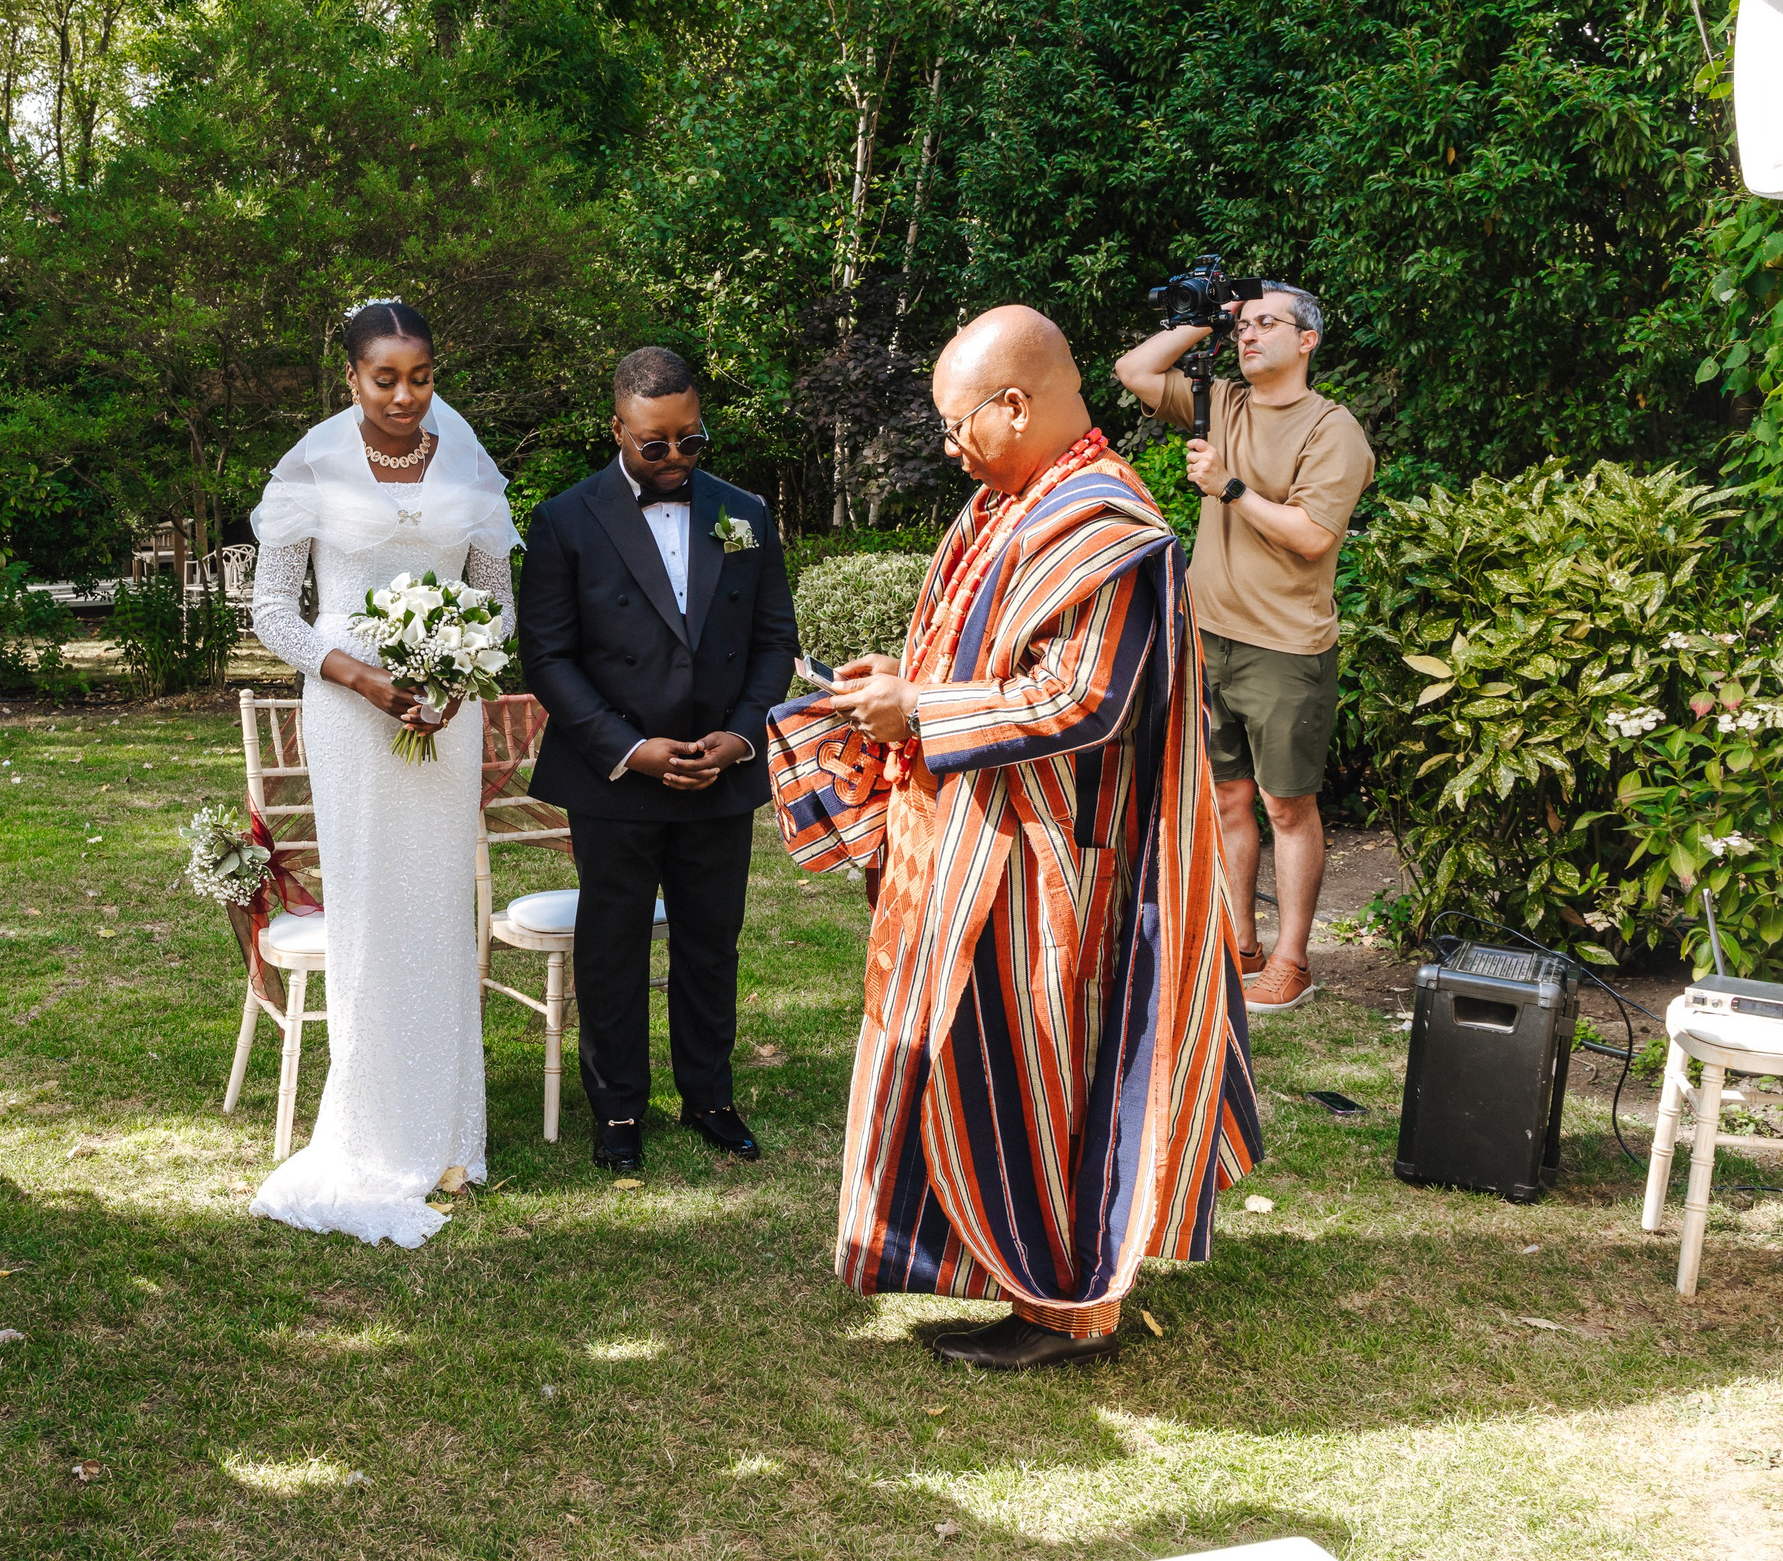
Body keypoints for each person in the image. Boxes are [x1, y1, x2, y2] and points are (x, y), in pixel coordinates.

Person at [817, 306, 1260, 1370]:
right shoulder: (1008, 504)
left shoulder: (1104, 527)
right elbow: (969, 654)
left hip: (1049, 864)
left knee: (1039, 1081)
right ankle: (993, 1268)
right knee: (969, 1069)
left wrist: (917, 713)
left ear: (1014, 405)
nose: (949, 444)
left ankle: (1065, 1310)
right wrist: (899, 683)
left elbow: (1084, 697)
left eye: (958, 422)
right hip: (976, 846)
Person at [243, 299, 518, 1245]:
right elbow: (272, 608)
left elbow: (497, 599)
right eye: (384, 378)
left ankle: (448, 1136)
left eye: (422, 376)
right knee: (367, 904)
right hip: (350, 714)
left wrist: (457, 671)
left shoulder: (470, 461)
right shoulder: (309, 465)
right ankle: (369, 1131)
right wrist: (357, 672)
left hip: (446, 712)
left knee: (439, 904)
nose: (406, 396)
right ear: (352, 379)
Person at [517, 347, 798, 1173]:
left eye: (690, 440)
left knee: (713, 942)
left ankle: (710, 1096)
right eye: (655, 445)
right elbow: (549, 656)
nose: (675, 458)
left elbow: (773, 637)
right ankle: (617, 1111)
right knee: (612, 944)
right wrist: (630, 748)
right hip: (616, 774)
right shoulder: (565, 520)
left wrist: (742, 736)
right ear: (618, 430)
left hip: (720, 765)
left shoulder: (743, 511)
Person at [1112, 286, 1374, 1012]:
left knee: (1285, 806)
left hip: (1285, 646)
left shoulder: (1333, 430)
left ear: (1308, 341)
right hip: (1207, 633)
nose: (1249, 335)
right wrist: (1201, 319)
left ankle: (1292, 961)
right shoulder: (1219, 401)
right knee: (1227, 798)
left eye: (1267, 324)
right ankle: (1239, 942)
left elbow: (1314, 535)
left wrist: (1228, 487)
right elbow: (1133, 370)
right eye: (1243, 325)